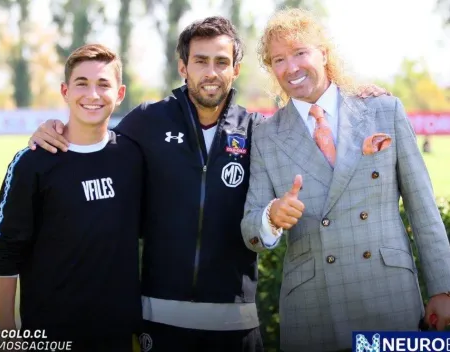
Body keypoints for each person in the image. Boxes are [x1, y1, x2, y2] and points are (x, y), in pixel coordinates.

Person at [27, 17, 387, 352]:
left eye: (220, 61)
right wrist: (55, 129)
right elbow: (95, 150)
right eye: (200, 61)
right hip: (159, 318)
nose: (210, 72)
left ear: (235, 69)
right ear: (183, 67)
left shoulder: (256, 131)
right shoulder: (147, 121)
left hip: (237, 322)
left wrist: (353, 98)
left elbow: (318, 137)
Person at [240, 8, 450, 352]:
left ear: (323, 53)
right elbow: (251, 230)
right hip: (313, 310)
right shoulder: (266, 135)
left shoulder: (384, 109)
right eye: (278, 59)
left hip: (389, 299)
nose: (290, 67)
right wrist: (271, 218)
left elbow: (422, 207)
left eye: (299, 53)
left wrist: (443, 289)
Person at [0, 44, 143, 352]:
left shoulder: (132, 156)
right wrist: (6, 331)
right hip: (50, 333)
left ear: (120, 93)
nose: (93, 95)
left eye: (103, 84)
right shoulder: (34, 162)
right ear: (65, 91)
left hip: (115, 335)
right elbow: (5, 248)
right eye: (82, 83)